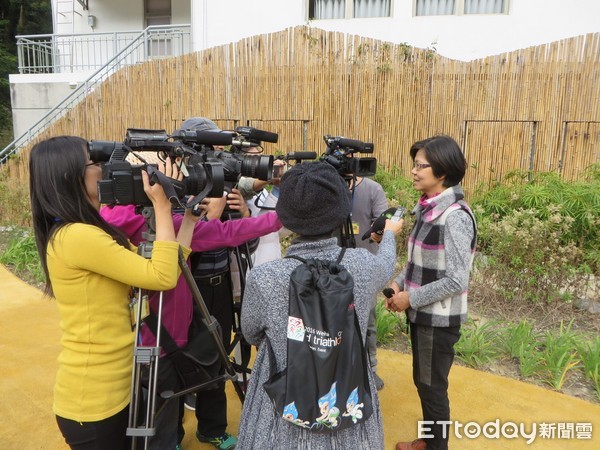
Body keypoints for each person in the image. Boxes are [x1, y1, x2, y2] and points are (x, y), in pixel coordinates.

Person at [29, 136, 190, 450]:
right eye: (95, 163)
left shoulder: (92, 230)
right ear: (68, 176)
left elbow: (164, 264)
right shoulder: (77, 237)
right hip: (93, 401)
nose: (104, 169)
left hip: (114, 390)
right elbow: (162, 276)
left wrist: (191, 219)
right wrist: (161, 203)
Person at [237, 162, 404, 449]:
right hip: (348, 400)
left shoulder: (264, 277)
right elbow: (386, 264)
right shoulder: (362, 266)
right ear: (341, 212)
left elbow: (251, 333)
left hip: (281, 407)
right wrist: (388, 233)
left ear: (285, 217)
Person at [100, 197, 283, 449]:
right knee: (162, 410)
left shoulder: (103, 221)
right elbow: (226, 233)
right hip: (162, 336)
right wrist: (282, 217)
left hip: (144, 332)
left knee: (162, 404)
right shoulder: (161, 225)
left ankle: (183, 436)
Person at [384, 136, 477, 450]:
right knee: (425, 383)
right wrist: (398, 283)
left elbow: (455, 280)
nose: (413, 171)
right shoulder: (427, 209)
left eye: (420, 165)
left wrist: (409, 298)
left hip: (438, 321)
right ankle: (428, 440)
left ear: (442, 172)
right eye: (415, 164)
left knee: (432, 387)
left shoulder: (455, 217)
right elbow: (417, 264)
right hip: (423, 314)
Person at [348, 175, 389, 390]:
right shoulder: (331, 185)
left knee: (368, 319)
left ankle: (370, 368)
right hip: (334, 264)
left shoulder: (373, 189)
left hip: (366, 265)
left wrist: (378, 231)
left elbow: (383, 224)